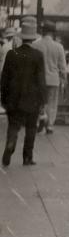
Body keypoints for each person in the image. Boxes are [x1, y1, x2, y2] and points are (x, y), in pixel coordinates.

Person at [1, 17, 46, 167]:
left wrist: (3, 98)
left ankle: (10, 144)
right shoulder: (38, 56)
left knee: (13, 126)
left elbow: (4, 79)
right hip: (32, 100)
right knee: (31, 128)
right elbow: (41, 81)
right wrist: (43, 101)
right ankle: (27, 157)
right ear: (32, 39)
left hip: (13, 99)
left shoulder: (12, 54)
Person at [33, 22, 67, 133]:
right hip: (53, 79)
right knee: (52, 102)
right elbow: (62, 66)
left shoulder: (35, 44)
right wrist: (64, 79)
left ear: (43, 31)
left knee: (39, 101)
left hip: (39, 79)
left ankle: (41, 118)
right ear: (53, 33)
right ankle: (50, 125)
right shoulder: (59, 46)